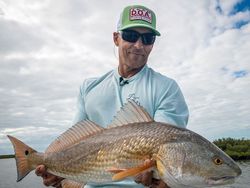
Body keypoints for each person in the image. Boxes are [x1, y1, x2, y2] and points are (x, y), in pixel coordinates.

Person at [35, 4, 189, 188]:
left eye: (147, 38)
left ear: (153, 44)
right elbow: (74, 144)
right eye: (131, 36)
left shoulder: (167, 88)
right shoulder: (89, 87)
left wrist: (164, 180)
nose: (139, 45)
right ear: (116, 38)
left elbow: (168, 149)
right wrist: (57, 173)